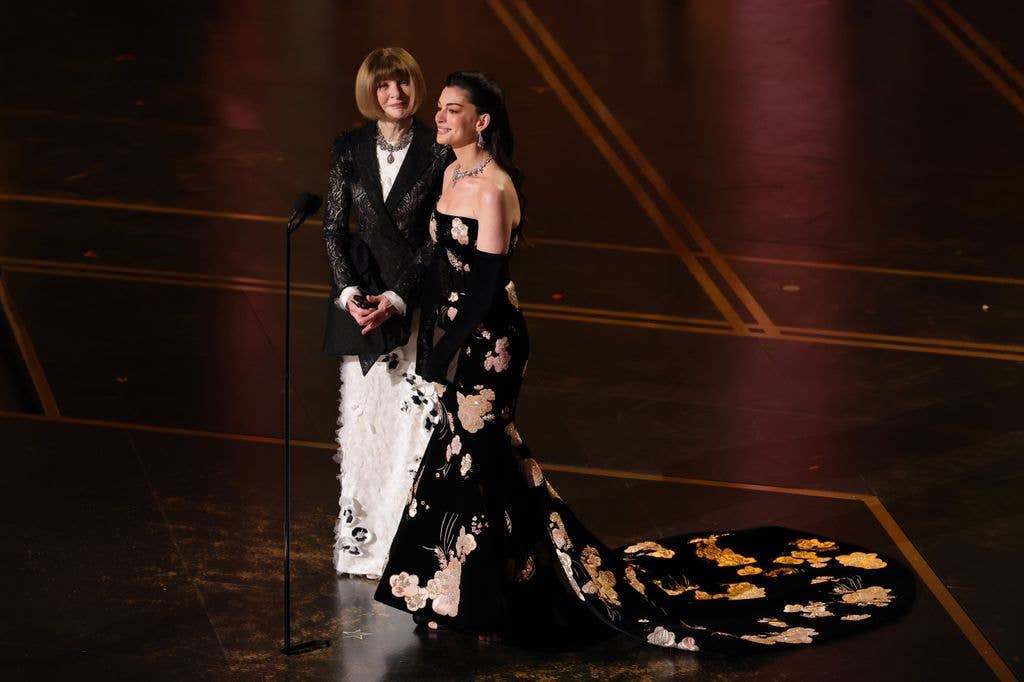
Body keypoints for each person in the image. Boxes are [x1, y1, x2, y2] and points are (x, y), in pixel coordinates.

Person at [374, 71, 914, 654]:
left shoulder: (492, 188)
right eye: (442, 109)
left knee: (478, 457)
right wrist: (399, 307)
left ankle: (492, 598)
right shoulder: (452, 173)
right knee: (474, 461)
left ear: (482, 122)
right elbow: (437, 258)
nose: (440, 117)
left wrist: (442, 354)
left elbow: (484, 286)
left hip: (489, 344)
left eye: (454, 110)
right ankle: (458, 594)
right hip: (455, 336)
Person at [321, 47, 450, 579]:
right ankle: (362, 544)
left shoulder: (438, 150)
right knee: (366, 427)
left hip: (415, 307)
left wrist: (398, 297)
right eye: (383, 87)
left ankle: (407, 545)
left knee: (413, 427)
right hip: (362, 308)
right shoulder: (348, 148)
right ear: (369, 93)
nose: (394, 95)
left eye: (402, 85)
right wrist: (350, 292)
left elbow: (437, 236)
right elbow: (334, 227)